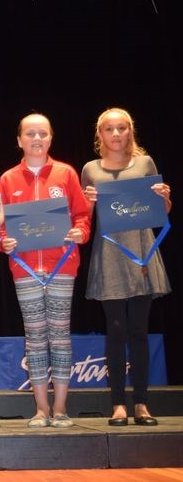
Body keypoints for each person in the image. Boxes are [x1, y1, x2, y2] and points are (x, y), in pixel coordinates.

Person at [0, 112, 90, 428]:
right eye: (30, 134)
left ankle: (61, 407)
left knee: (60, 336)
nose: (36, 139)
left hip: (62, 266)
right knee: (35, 337)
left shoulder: (66, 174)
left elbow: (82, 215)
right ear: (19, 140)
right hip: (25, 269)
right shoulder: (8, 179)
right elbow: (0, 225)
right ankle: (41, 409)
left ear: (51, 138)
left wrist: (81, 232)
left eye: (43, 134)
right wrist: (4, 243)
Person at [81, 107, 171, 426]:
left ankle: (142, 403)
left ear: (130, 132)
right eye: (109, 129)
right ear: (100, 134)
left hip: (142, 255)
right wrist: (87, 203)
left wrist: (165, 198)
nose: (116, 134)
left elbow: (160, 212)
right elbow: (84, 220)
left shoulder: (145, 164)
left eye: (122, 128)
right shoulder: (90, 169)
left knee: (139, 331)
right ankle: (118, 403)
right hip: (109, 256)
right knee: (115, 331)